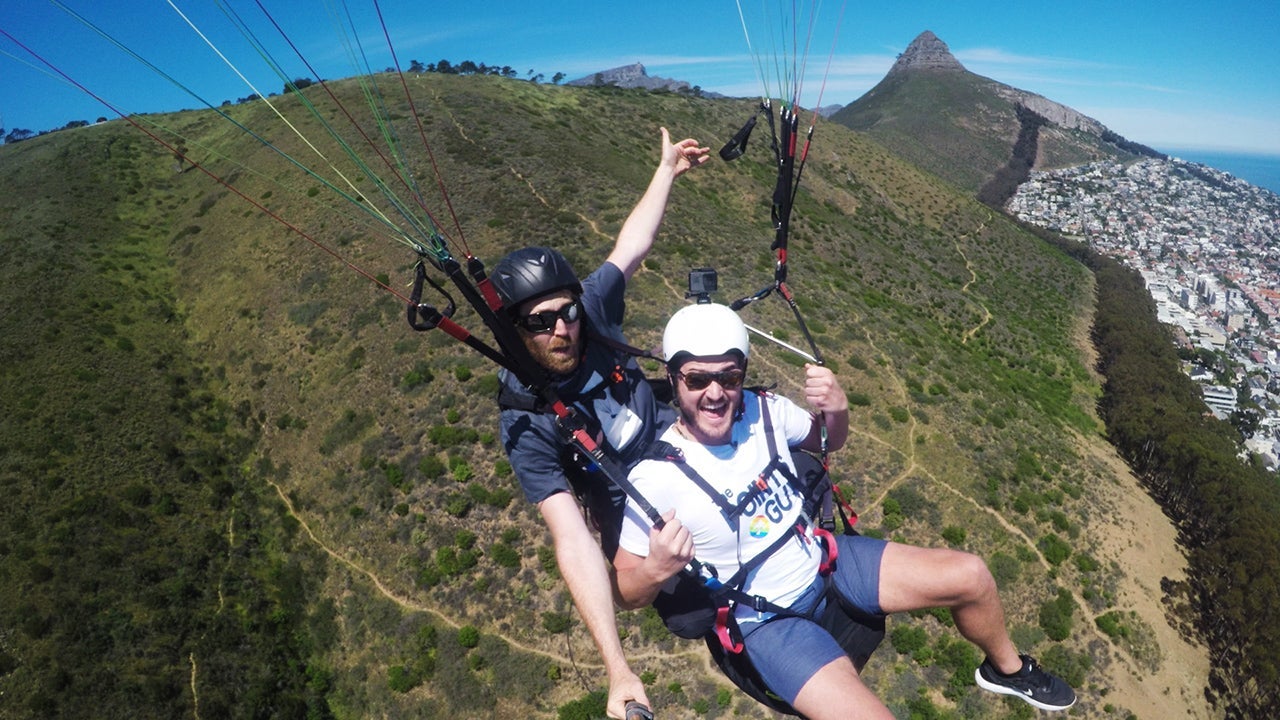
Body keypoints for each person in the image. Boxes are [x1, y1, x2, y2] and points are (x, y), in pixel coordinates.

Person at [612, 303, 1077, 719]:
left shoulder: (765, 411)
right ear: (674, 380)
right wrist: (655, 568)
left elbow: (828, 441)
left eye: (729, 378)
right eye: (697, 379)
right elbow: (628, 591)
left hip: (825, 561)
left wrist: (837, 409)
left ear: (742, 376)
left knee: (972, 577)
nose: (715, 394)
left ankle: (1008, 671)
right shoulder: (656, 478)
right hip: (769, 621)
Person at [491, 128, 709, 719]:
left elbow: (630, 248)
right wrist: (618, 669)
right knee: (685, 607)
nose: (563, 329)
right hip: (624, 493)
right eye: (542, 323)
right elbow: (571, 539)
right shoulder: (526, 421)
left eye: (566, 313)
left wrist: (665, 170)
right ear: (518, 332)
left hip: (669, 437)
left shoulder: (588, 310)